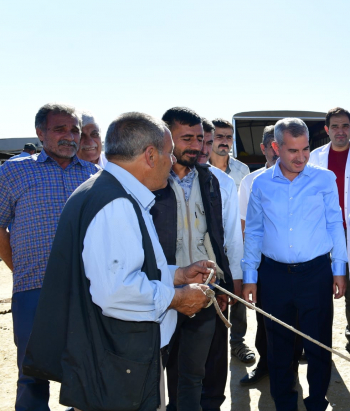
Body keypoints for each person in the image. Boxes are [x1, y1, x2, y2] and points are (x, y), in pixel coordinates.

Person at [22, 112, 214, 411]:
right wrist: (178, 298)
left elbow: (123, 270)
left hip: (117, 358)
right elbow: (117, 292)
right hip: (118, 361)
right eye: (168, 153)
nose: (171, 161)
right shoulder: (115, 204)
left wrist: (177, 274)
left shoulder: (110, 191)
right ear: (151, 155)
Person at [241, 118, 347, 411]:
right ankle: (285, 405)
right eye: (292, 151)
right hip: (273, 276)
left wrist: (339, 269)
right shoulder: (260, 184)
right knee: (278, 349)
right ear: (275, 147)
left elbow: (335, 224)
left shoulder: (324, 179)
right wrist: (250, 276)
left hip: (316, 274)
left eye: (306, 149)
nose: (301, 157)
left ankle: (316, 403)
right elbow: (254, 231)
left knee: (318, 346)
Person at [0, 103, 98, 411]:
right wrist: (18, 268)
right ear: (40, 133)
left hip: (87, 292)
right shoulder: (13, 171)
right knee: (33, 373)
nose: (70, 136)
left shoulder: (94, 175)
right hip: (34, 289)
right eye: (60, 129)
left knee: (85, 369)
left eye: (74, 130)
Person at [151, 107, 237, 411]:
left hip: (203, 292)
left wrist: (224, 283)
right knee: (158, 375)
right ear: (166, 138)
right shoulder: (150, 181)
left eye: (201, 138)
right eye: (187, 138)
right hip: (161, 293)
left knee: (195, 375)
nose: (198, 146)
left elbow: (217, 237)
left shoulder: (209, 180)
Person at [309, 107, 350, 362]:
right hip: (321, 239)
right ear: (326, 130)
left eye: (345, 126)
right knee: (318, 297)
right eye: (334, 126)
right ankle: (316, 346)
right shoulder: (314, 158)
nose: (340, 131)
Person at [197, 118, 245, 411]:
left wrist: (234, 279)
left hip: (216, 277)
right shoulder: (162, 178)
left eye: (206, 140)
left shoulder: (225, 181)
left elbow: (232, 234)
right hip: (175, 281)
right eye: (196, 140)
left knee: (216, 350)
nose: (203, 147)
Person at [237, 125, 278, 386]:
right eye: (272, 146)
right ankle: (265, 364)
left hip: (296, 265)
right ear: (263, 148)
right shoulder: (250, 182)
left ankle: (288, 366)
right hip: (264, 265)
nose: (277, 151)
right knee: (264, 319)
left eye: (281, 145)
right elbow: (244, 229)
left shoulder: (305, 179)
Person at [209, 118, 250, 191]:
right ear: (209, 138)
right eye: (219, 137)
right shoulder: (199, 169)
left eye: (229, 137)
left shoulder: (243, 170)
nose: (225, 142)